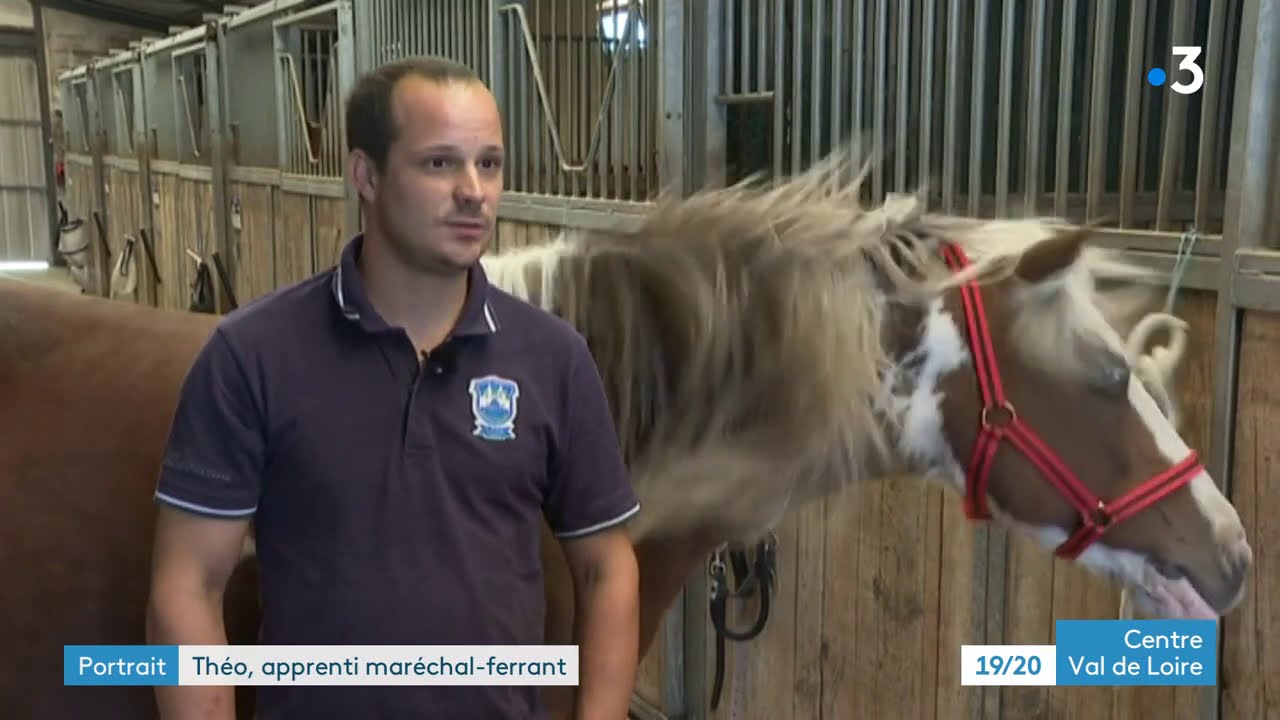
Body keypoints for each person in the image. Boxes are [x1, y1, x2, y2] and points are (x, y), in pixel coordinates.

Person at [145, 55, 642, 720]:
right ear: (366, 175)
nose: (474, 190)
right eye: (439, 163)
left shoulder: (555, 359)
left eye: (488, 163)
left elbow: (607, 570)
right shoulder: (252, 356)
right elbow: (188, 585)